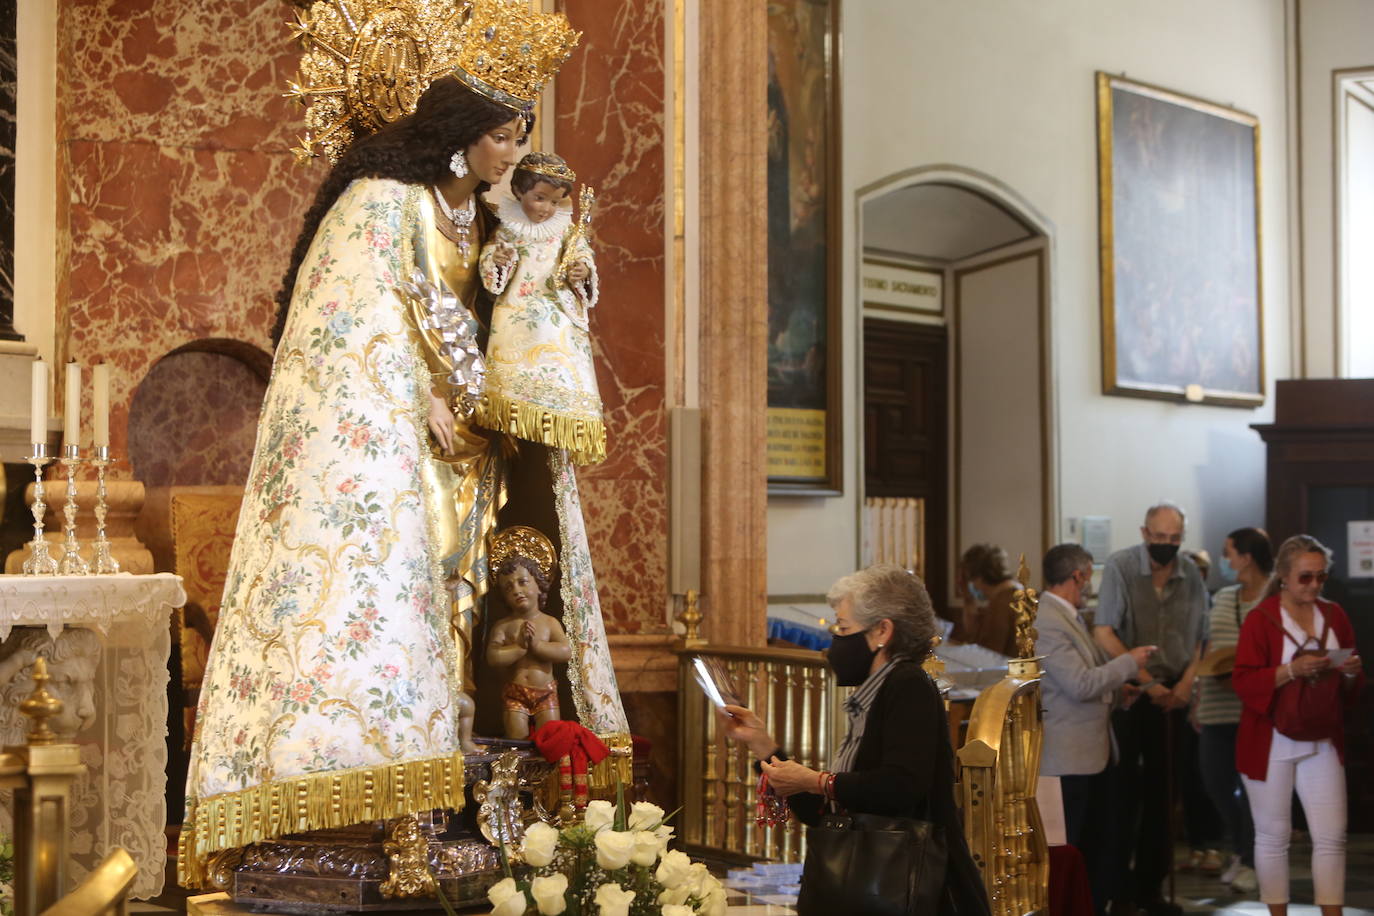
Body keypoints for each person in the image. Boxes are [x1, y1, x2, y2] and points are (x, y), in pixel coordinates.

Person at [178, 2, 591, 886]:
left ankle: (431, 763)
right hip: (394, 444)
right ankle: (353, 787)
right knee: (384, 589)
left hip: (462, 452)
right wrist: (415, 402)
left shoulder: (474, 219)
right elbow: (348, 328)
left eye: (520, 137)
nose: (515, 154)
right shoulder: (379, 203)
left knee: (446, 600)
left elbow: (492, 315)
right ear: (459, 136)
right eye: (504, 137)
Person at [720, 565, 990, 916]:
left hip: (914, 891)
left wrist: (815, 781)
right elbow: (831, 815)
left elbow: (901, 786)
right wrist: (763, 746)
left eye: (843, 629)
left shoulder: (908, 686)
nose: (835, 643)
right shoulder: (873, 696)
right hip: (873, 887)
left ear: (882, 631)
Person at [1093, 502, 1217, 915]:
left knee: (1165, 793)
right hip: (1131, 693)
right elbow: (1105, 631)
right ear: (1145, 533)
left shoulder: (1190, 577)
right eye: (1159, 538)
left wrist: (1183, 684)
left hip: (1174, 697)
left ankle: (1152, 887)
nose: (1166, 545)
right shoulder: (1121, 567)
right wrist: (1148, 684)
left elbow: (1202, 638)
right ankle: (1119, 888)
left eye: (1174, 539)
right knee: (1124, 793)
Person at [1233, 535, 1364, 916]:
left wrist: (1352, 672)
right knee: (1273, 837)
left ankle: (1332, 911)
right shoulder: (1262, 618)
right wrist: (1292, 669)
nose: (1314, 585)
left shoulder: (1334, 614)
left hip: (1322, 735)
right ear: (1284, 577)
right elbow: (1243, 680)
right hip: (1269, 738)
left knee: (1332, 836)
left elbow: (1349, 686)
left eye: (1321, 577)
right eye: (1306, 577)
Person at [1036, 545, 1154, 916]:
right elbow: (1079, 685)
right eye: (1089, 575)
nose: (1090, 584)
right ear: (1079, 576)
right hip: (1069, 758)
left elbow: (1086, 685)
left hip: (1090, 752)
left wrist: (1119, 694)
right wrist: (1128, 663)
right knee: (1076, 846)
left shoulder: (1067, 615)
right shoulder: (1048, 620)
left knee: (1099, 843)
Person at [478, 151, 604, 465]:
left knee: (559, 371)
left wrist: (581, 271)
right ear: (519, 191)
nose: (546, 208)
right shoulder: (508, 227)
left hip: (556, 316)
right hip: (518, 315)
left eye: (554, 201)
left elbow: (583, 255)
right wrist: (498, 261)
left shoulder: (564, 230)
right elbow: (492, 262)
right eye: (539, 198)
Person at [1195, 528, 1272, 894]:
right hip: (1215, 705)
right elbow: (1206, 645)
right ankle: (1242, 850)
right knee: (1216, 783)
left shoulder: (1276, 594)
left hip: (1255, 710)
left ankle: (1252, 858)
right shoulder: (1224, 597)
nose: (1224, 560)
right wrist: (1196, 696)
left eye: (1228, 553)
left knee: (1253, 788)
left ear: (1247, 556)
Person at [485, 526, 573, 738]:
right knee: (517, 741)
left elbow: (565, 651)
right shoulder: (503, 626)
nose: (516, 590)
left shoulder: (549, 623)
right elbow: (493, 657)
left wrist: (537, 646)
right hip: (515, 693)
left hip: (545, 692)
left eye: (523, 582)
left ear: (539, 584)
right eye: (508, 587)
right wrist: (520, 647)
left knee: (550, 739)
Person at [953, 543, 1019, 656]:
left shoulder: (1001, 605)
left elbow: (987, 655)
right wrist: (968, 600)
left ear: (979, 578)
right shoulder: (1016, 593)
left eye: (968, 579)